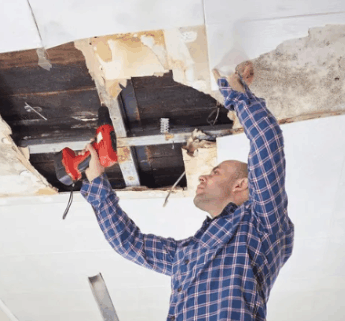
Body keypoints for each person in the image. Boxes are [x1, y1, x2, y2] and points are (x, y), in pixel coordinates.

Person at [80, 63, 294, 321]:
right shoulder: (188, 254)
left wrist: (235, 92)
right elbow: (129, 242)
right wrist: (96, 180)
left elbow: (267, 142)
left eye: (215, 172)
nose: (203, 176)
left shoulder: (262, 226)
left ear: (241, 185)